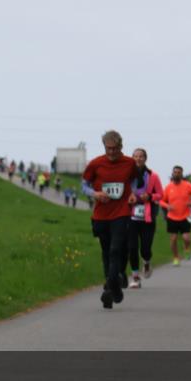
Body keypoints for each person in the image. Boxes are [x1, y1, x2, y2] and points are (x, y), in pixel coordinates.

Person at [81, 130, 139, 309]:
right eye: (108, 148)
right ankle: (112, 285)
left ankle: (111, 285)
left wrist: (132, 194)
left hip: (121, 212)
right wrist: (95, 194)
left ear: (121, 146)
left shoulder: (129, 163)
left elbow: (134, 182)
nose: (112, 152)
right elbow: (84, 185)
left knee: (116, 250)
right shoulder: (96, 163)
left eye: (115, 148)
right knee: (106, 251)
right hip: (101, 215)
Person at [126, 148, 164, 288]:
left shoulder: (153, 176)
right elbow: (123, 192)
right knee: (132, 248)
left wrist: (150, 196)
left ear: (145, 158)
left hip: (147, 217)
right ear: (132, 158)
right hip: (131, 216)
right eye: (135, 156)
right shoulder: (127, 175)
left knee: (145, 249)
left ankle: (147, 262)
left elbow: (160, 194)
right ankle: (135, 277)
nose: (138, 159)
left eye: (141, 156)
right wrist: (130, 198)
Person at [160, 165, 191, 265]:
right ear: (172, 174)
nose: (176, 174)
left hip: (185, 216)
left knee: (186, 238)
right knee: (173, 239)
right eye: (175, 172)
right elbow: (161, 201)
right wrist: (167, 206)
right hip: (172, 217)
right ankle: (176, 258)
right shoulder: (168, 187)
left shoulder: (188, 186)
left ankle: (187, 248)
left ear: (181, 174)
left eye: (179, 173)